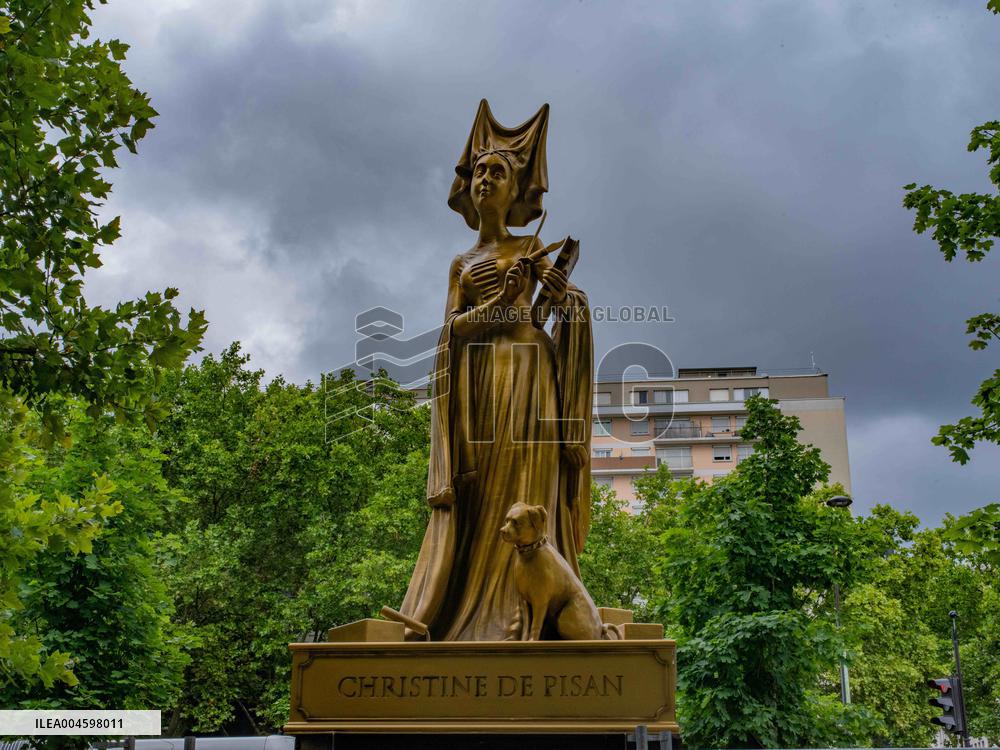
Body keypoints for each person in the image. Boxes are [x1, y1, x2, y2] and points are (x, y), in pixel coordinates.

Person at [399, 100, 594, 641]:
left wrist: (564, 296)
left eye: (498, 172)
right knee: (482, 493)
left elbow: (556, 309)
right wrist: (499, 304)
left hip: (530, 376)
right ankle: (469, 608)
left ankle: (523, 609)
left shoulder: (531, 246)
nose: (486, 178)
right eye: (481, 170)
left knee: (526, 488)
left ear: (516, 190)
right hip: (482, 382)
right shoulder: (461, 263)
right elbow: (452, 331)